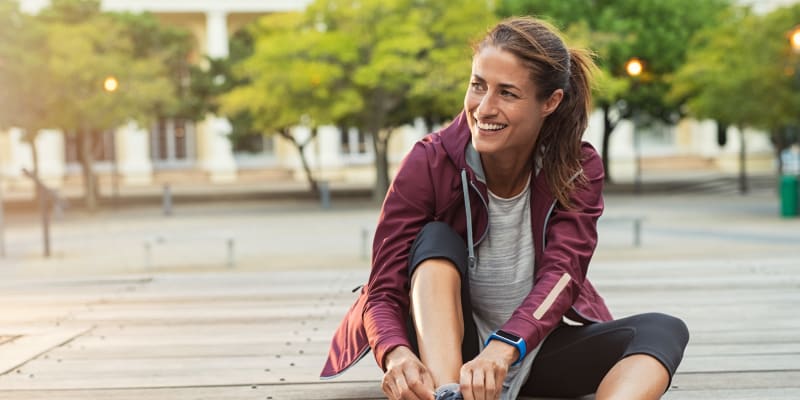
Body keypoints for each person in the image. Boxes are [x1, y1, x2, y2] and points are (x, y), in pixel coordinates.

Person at [321, 16, 689, 400]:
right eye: (478, 86)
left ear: (550, 102)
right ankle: (451, 396)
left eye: (507, 94)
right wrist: (395, 354)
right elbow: (381, 289)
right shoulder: (428, 161)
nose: (484, 108)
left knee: (663, 329)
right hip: (450, 359)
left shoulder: (576, 168)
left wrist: (505, 346)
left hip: (530, 349)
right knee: (434, 240)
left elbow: (564, 274)